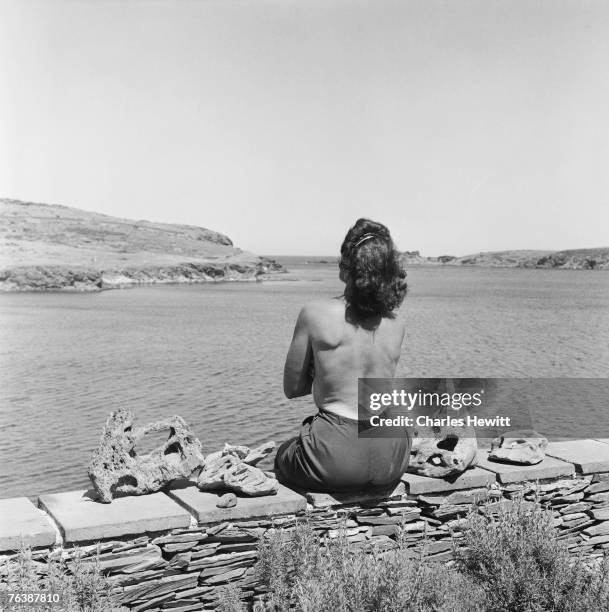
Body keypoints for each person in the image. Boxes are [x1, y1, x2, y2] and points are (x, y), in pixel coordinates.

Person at [274, 218, 410, 492]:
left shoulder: (315, 313)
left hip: (336, 454)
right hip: (392, 453)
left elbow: (293, 389)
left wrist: (321, 371)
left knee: (281, 455)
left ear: (345, 266)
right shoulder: (397, 323)